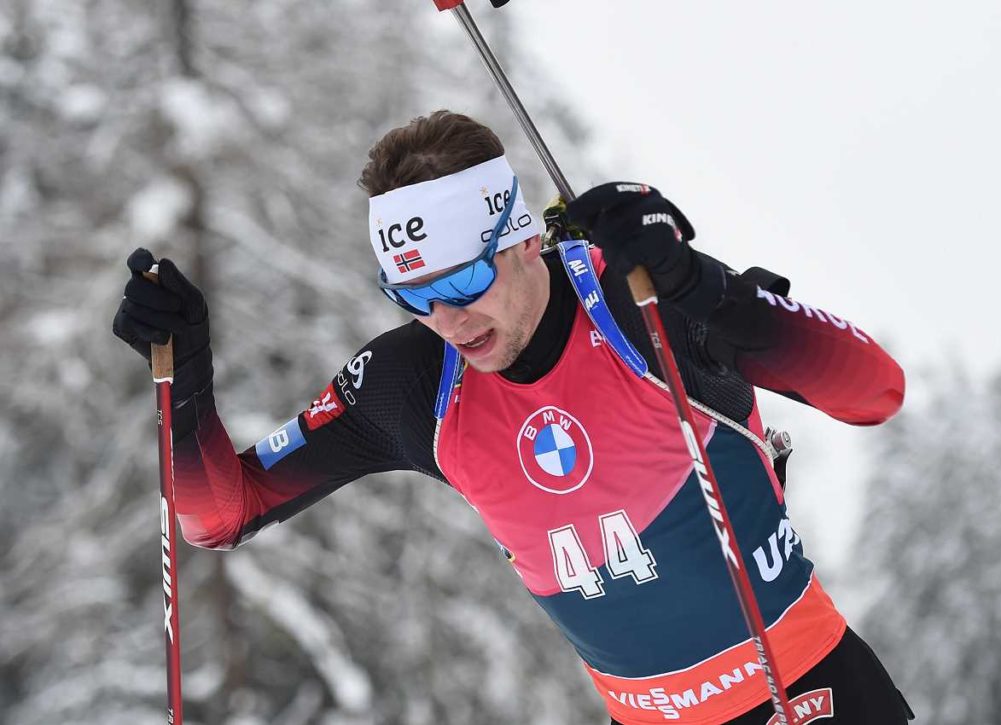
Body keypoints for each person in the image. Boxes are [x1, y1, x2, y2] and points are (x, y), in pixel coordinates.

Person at [113, 110, 914, 725]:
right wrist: (184, 381)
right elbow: (222, 514)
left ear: (523, 237)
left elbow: (873, 390)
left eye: (464, 282)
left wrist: (704, 284)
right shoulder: (414, 382)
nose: (450, 319)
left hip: (810, 693)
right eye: (415, 297)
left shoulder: (637, 304)